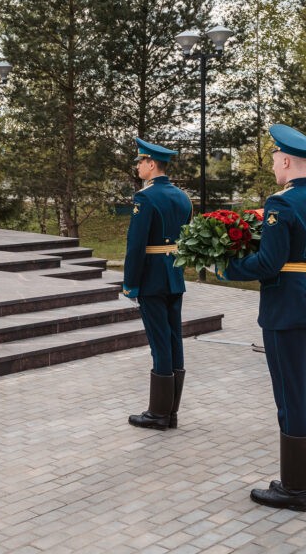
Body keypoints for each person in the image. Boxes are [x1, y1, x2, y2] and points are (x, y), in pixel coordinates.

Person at [226, 124, 306, 512]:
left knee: (290, 396)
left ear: (287, 160)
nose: (273, 165)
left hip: (286, 305)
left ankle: (294, 490)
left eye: (275, 159)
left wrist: (230, 269)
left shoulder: (281, 203)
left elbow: (270, 263)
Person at [122, 138, 193, 432]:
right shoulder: (183, 197)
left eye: (140, 161)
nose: (138, 166)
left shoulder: (145, 198)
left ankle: (158, 414)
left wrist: (130, 284)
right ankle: (171, 411)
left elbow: (136, 245)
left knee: (159, 343)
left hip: (152, 278)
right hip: (174, 275)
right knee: (174, 339)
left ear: (152, 165)